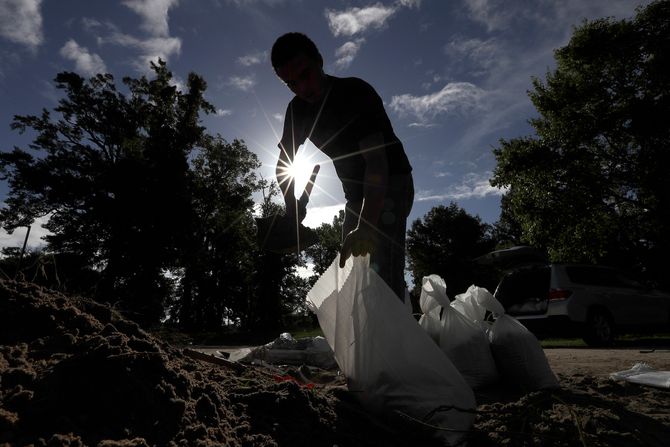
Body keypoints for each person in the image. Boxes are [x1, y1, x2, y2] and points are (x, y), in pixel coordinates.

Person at [271, 32, 413, 301]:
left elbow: (377, 163)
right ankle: (366, 340)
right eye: (291, 83)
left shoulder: (354, 93)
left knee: (381, 271)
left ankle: (395, 338)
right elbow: (283, 165)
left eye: (305, 74)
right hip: (355, 195)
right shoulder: (297, 111)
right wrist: (293, 211)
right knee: (352, 271)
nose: (302, 88)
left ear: (320, 61)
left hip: (390, 181)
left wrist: (367, 225)